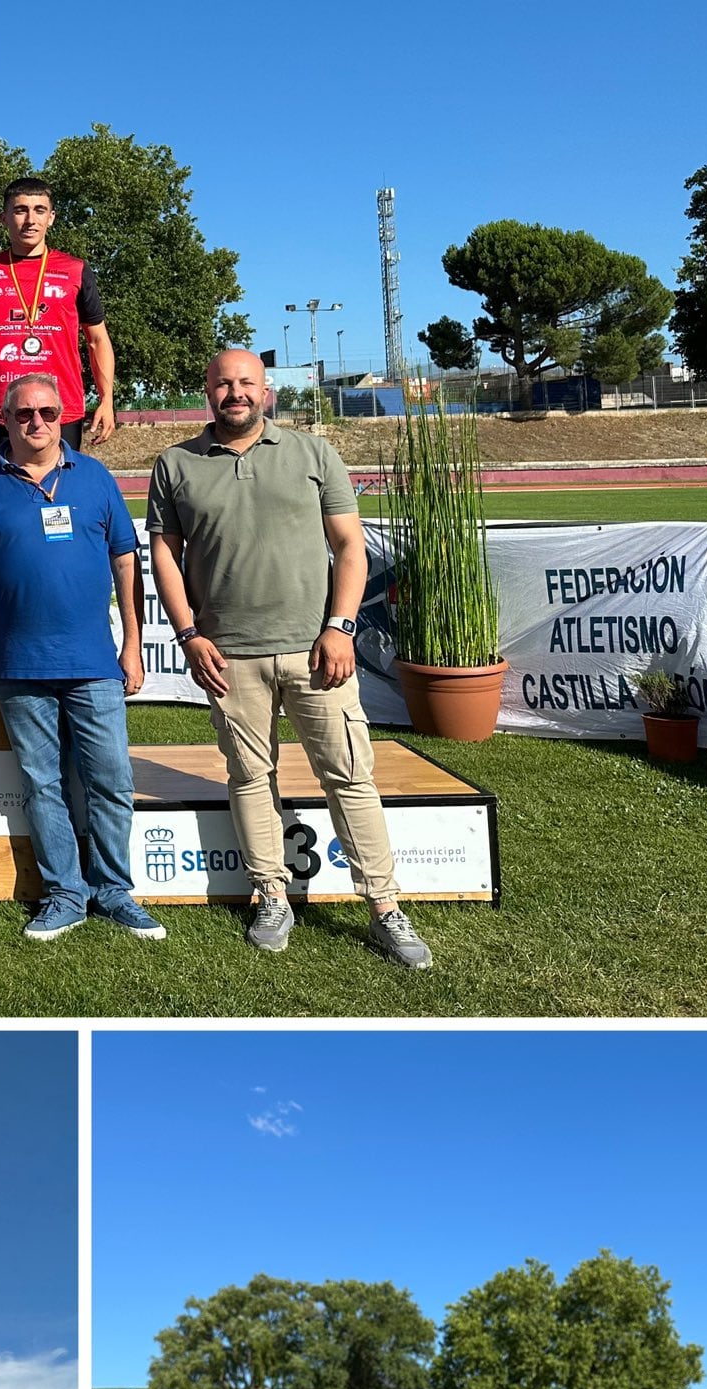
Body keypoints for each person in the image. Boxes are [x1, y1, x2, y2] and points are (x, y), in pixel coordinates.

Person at [148, 348, 434, 970]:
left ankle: (384, 907)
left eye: (246, 382)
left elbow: (349, 546)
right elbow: (165, 556)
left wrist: (340, 626)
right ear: (208, 389)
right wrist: (189, 632)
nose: (235, 393)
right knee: (251, 777)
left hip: (317, 653)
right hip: (229, 657)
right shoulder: (175, 465)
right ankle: (271, 893)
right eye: (223, 382)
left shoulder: (313, 453)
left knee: (350, 776)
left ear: (266, 390)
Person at [0, 371, 162, 943]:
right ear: (5, 420)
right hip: (18, 666)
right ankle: (65, 893)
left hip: (94, 664)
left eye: (46, 412)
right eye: (23, 414)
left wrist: (133, 644)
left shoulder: (94, 478)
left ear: (62, 415)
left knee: (111, 780)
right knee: (43, 785)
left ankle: (114, 889)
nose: (35, 422)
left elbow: (124, 565)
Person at [0, 177, 117, 464]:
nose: (30, 220)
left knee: (62, 498)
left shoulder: (75, 269)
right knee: (10, 499)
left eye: (39, 210)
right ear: (4, 217)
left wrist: (107, 399)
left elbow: (97, 339)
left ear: (51, 218)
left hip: (62, 408)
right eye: (20, 210)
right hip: (6, 409)